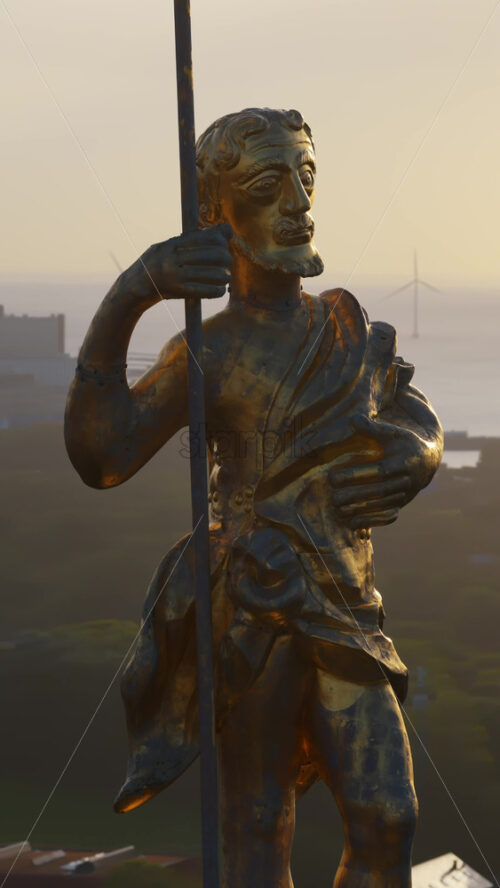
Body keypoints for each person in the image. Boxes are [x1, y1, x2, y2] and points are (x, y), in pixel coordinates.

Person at [65, 107, 443, 888]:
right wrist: (133, 293)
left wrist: (421, 451)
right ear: (217, 212)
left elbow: (406, 411)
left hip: (346, 601)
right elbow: (103, 455)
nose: (299, 202)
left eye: (306, 178)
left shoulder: (344, 325)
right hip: (252, 608)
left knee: (388, 813)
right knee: (256, 822)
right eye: (271, 185)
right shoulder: (209, 349)